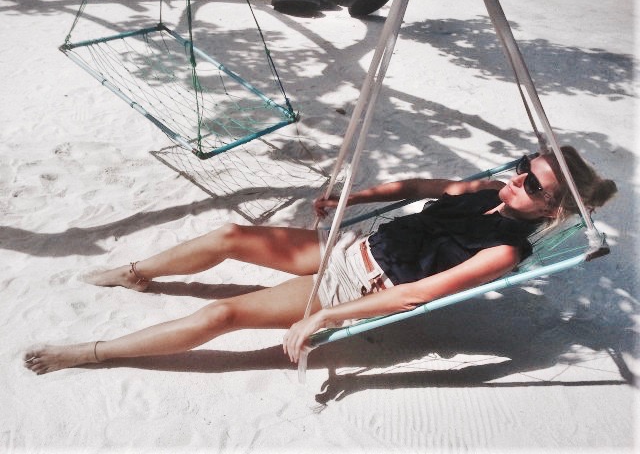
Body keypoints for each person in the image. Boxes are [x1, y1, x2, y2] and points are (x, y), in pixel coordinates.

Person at [24, 146, 617, 375]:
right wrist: (352, 198)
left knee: (224, 315)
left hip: (360, 286)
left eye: (531, 184)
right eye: (523, 165)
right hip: (347, 246)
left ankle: (92, 353)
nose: (515, 178)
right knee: (231, 233)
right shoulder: (486, 189)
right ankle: (137, 275)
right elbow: (417, 187)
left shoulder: (506, 251)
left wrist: (326, 317)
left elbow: (417, 295)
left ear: (552, 210)